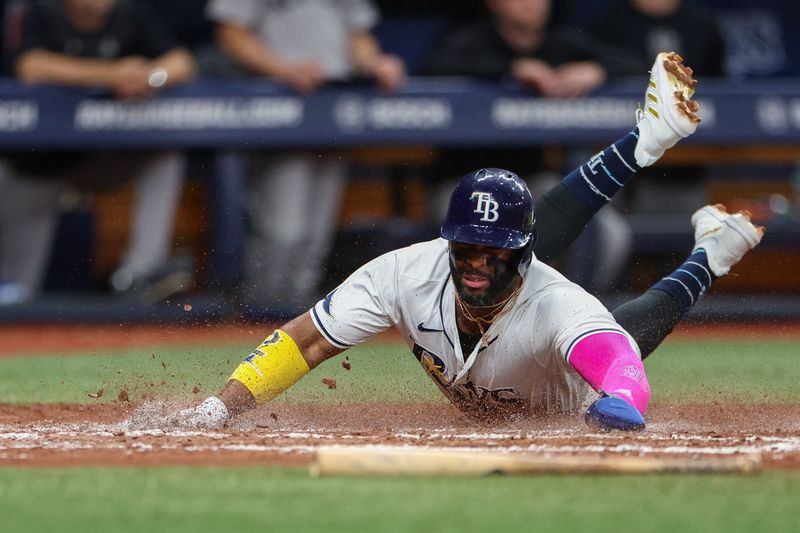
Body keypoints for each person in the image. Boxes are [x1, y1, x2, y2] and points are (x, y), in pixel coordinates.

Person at [172, 53, 763, 431]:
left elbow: (621, 368)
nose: (476, 261)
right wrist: (220, 406)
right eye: (465, 246)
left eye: (496, 249)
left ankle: (709, 253)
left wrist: (622, 403)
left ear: (525, 253)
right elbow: (304, 342)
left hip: (562, 395)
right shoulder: (404, 273)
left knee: (617, 335)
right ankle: (656, 160)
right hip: (499, 377)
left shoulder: (558, 302)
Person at [205, 0, 406, 313]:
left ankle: (298, 323)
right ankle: (255, 318)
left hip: (332, 104)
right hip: (278, 106)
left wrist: (373, 63)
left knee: (315, 236)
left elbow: (357, 35)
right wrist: (283, 69)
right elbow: (231, 35)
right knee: (285, 231)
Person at [0, 0, 196, 304]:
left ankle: (140, 274)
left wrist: (149, 77)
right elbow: (31, 66)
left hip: (100, 157)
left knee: (164, 151)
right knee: (19, 288)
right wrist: (111, 74)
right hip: (38, 162)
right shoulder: (39, 10)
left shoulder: (129, 13)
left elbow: (182, 62)